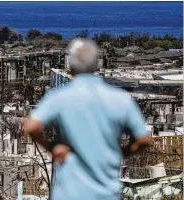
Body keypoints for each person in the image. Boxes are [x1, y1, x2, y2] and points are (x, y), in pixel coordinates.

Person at [23, 38, 152, 200]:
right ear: (96, 65)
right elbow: (144, 139)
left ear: (70, 66)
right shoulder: (120, 99)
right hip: (106, 194)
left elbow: (31, 126)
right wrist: (122, 152)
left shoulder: (59, 96)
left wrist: (52, 148)